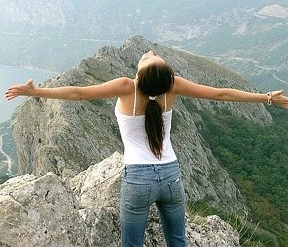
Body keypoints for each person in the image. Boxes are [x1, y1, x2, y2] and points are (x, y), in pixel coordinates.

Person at [5, 50, 288, 246]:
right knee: (178, 241)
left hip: (138, 178)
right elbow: (221, 94)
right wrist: (266, 98)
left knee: (132, 243)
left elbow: (79, 93)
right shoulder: (171, 88)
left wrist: (36, 91)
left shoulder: (127, 86)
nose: (150, 52)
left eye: (152, 57)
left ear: (142, 73)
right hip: (172, 176)